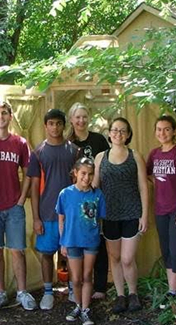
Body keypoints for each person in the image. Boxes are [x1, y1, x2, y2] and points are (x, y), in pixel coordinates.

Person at [0, 101, 37, 312]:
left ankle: (22, 292)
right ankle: (0, 292)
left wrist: (22, 198)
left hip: (14, 205)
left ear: (10, 116)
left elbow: (29, 172)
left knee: (17, 250)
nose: (0, 116)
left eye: (4, 113)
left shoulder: (20, 143)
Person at [93, 117, 148, 313]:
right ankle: (120, 295)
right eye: (115, 130)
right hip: (109, 215)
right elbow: (95, 188)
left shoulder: (135, 156)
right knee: (114, 257)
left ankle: (133, 293)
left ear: (128, 134)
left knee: (127, 258)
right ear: (109, 133)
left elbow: (143, 187)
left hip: (132, 213)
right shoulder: (101, 157)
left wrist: (144, 215)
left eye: (123, 131)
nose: (118, 134)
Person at [28, 108, 79, 310]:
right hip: (47, 212)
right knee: (47, 253)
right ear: (45, 126)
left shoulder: (74, 151)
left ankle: (73, 289)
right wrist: (36, 218)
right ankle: (48, 291)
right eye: (51, 123)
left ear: (64, 125)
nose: (55, 127)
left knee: (71, 253)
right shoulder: (38, 153)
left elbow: (80, 181)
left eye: (59, 123)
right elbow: (33, 186)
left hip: (71, 215)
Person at [67, 102, 110, 300]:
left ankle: (99, 287)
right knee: (74, 243)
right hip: (75, 200)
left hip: (96, 198)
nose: (81, 120)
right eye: (77, 117)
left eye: (84, 116)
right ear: (71, 119)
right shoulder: (67, 143)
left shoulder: (99, 140)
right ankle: (74, 287)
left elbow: (107, 165)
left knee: (97, 241)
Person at [57, 157, 106, 325]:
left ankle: (86, 309)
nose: (87, 177)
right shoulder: (65, 194)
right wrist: (63, 242)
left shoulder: (97, 194)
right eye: (83, 173)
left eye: (90, 174)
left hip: (90, 240)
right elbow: (61, 219)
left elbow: (99, 219)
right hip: (71, 241)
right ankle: (77, 305)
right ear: (76, 173)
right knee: (76, 278)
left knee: (87, 276)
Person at [146, 115, 176, 304]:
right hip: (160, 209)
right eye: (159, 129)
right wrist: (159, 183)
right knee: (167, 252)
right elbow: (149, 174)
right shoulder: (155, 154)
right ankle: (172, 291)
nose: (162, 133)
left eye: (166, 129)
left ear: (174, 131)